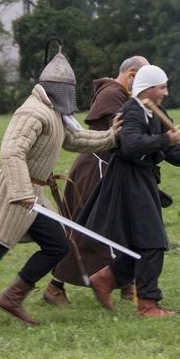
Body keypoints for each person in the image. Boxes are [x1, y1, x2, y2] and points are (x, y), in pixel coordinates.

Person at [0, 50, 121, 331]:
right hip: (11, 192)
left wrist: (112, 136)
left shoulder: (54, 112)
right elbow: (11, 152)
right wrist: (21, 191)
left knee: (58, 246)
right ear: (57, 88)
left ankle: (12, 297)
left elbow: (75, 139)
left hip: (32, 193)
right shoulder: (33, 111)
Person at [79, 65, 180, 317]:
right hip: (128, 181)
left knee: (145, 243)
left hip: (144, 180)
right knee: (153, 241)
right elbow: (130, 145)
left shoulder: (157, 112)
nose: (166, 92)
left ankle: (106, 278)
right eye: (161, 87)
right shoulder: (132, 110)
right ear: (148, 88)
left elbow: (171, 151)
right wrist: (166, 140)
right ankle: (148, 304)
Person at [41, 55, 149, 307]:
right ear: (131, 74)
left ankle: (125, 283)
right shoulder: (112, 95)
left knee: (122, 228)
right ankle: (55, 287)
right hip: (94, 172)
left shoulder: (120, 95)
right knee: (87, 231)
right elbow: (122, 136)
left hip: (110, 171)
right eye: (141, 80)